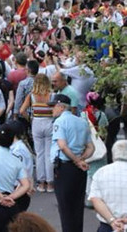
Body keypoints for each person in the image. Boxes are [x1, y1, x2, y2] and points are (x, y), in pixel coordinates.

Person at [50, 93, 94, 232]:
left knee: (65, 207)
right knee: (77, 206)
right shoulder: (82, 121)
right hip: (79, 170)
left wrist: (75, 160)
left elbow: (62, 146)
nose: (52, 110)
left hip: (65, 168)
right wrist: (81, 159)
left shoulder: (59, 122)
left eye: (54, 107)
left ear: (61, 107)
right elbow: (91, 147)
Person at [0, 123, 32, 232]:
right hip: (10, 201)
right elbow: (26, 184)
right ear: (13, 139)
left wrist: (0, 196)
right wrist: (11, 197)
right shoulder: (16, 159)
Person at [20, 73, 54, 192]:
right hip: (49, 122)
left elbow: (22, 110)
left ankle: (41, 182)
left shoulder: (32, 95)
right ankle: (50, 183)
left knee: (39, 153)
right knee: (49, 153)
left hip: (36, 122)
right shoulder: (51, 95)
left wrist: (30, 118)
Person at [89, 140, 127, 232]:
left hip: (107, 226)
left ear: (113, 155)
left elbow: (95, 199)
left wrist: (112, 221)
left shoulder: (100, 172)